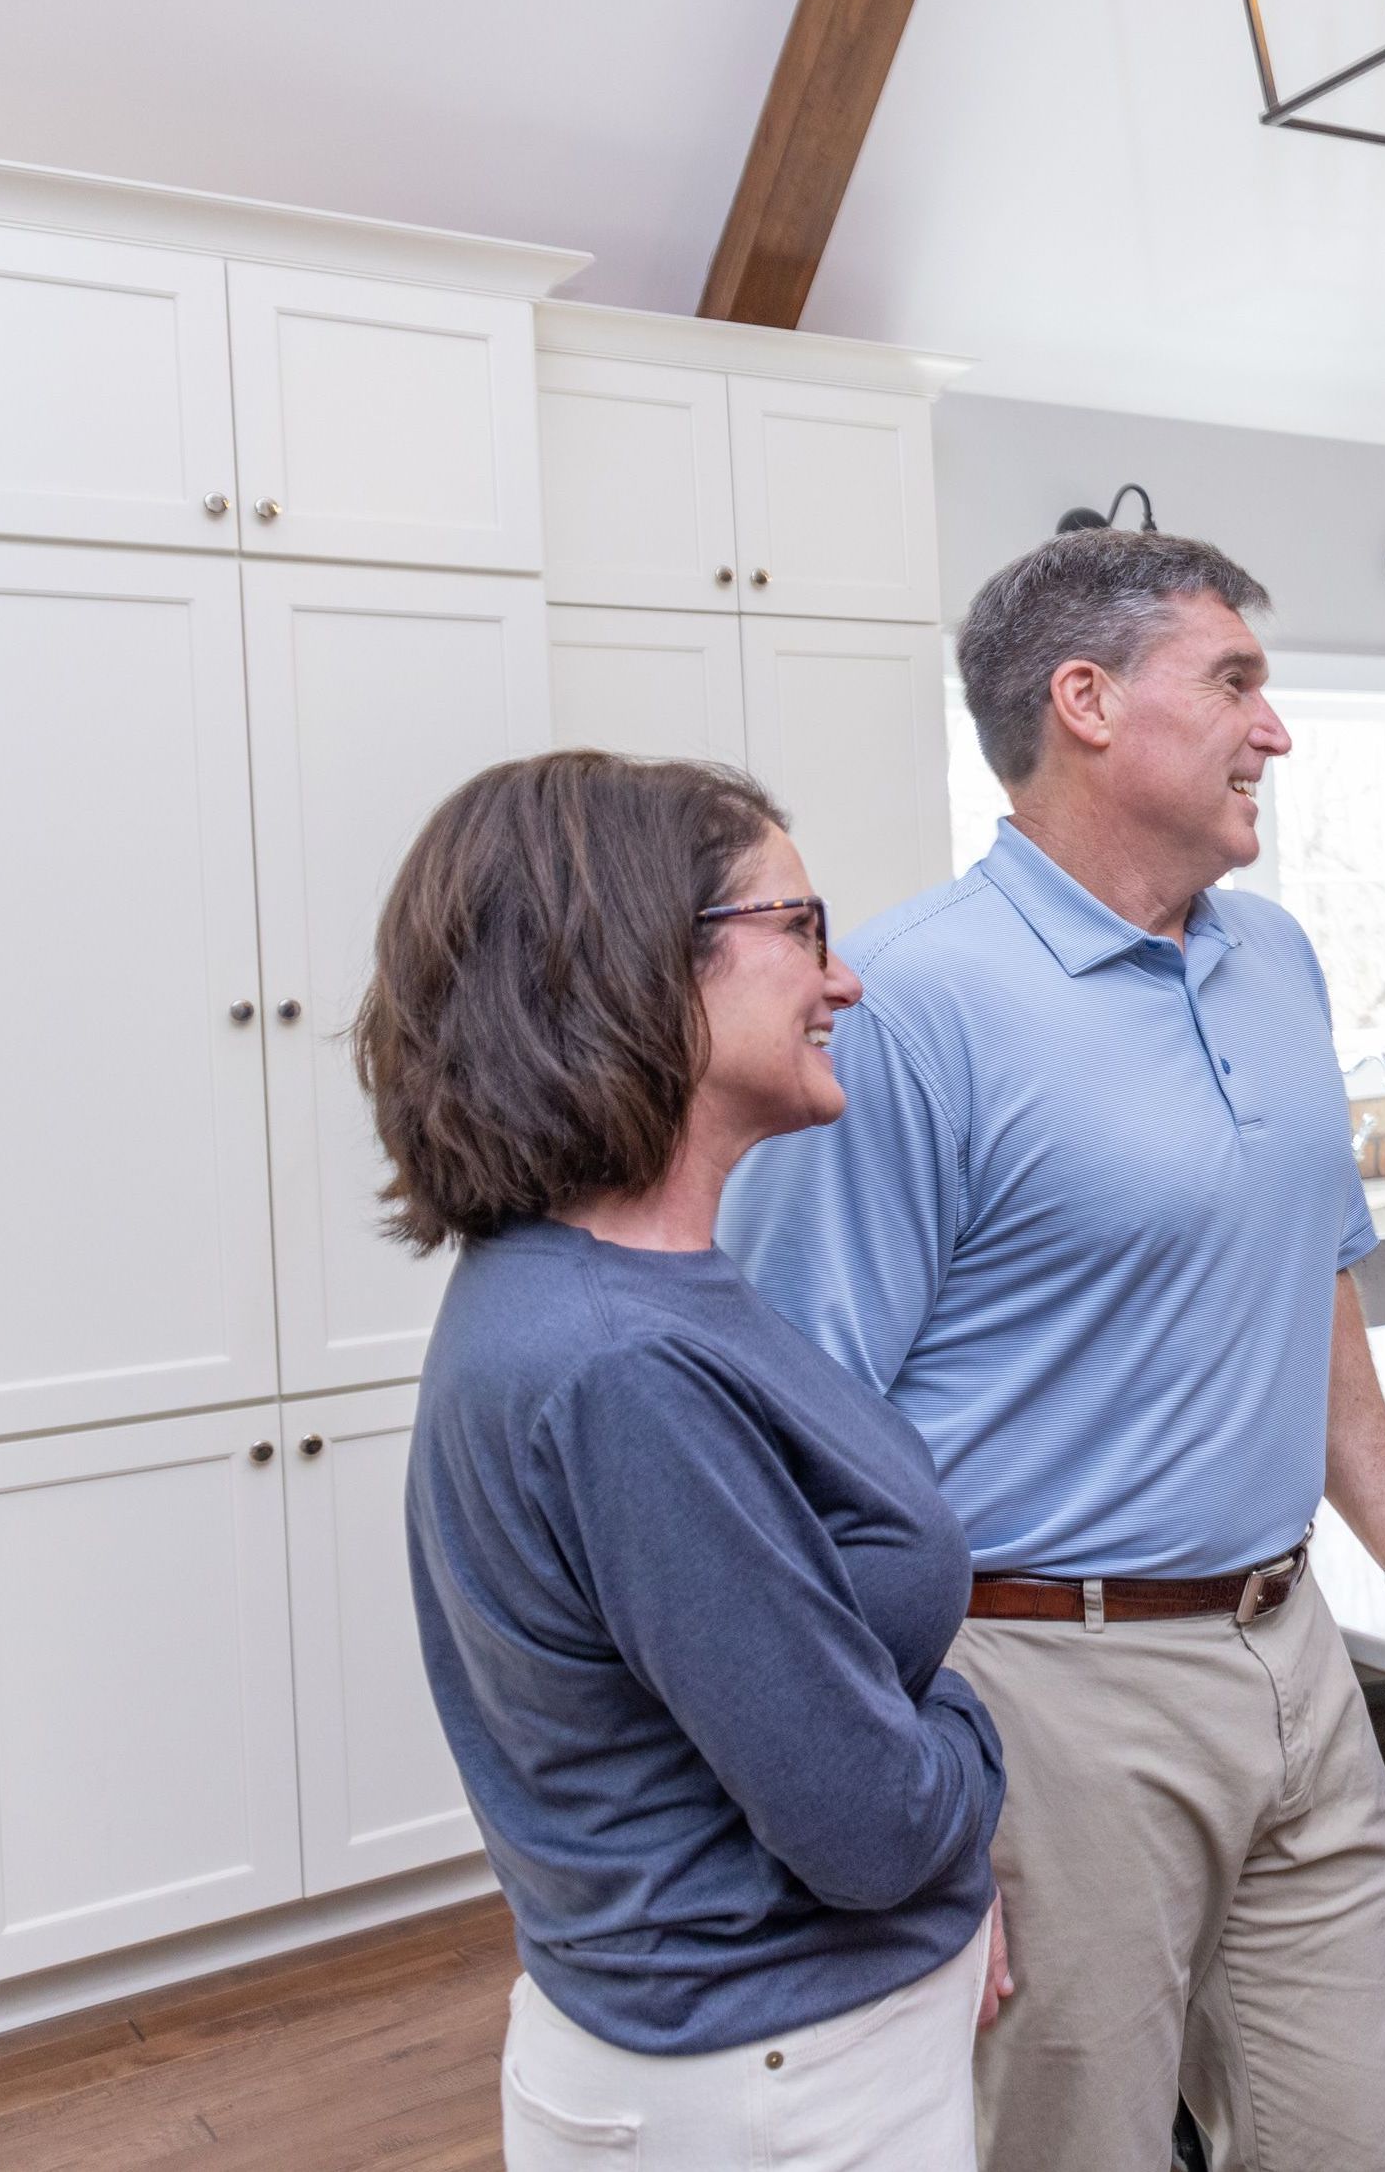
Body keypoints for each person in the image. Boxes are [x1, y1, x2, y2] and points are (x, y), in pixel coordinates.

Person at [720, 528, 1385, 2172]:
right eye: (1236, 682)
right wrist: (896, 1797)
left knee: (1354, 2144)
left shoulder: (1270, 956)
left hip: (1294, 1652)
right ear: (1086, 703)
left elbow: (1312, 1278)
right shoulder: (908, 1002)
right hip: (1042, 1687)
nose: (1274, 730)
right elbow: (792, 1434)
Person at [359, 753, 1011, 2172]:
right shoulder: (622, 1363)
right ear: (640, 969)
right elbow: (868, 1827)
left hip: (759, 2056)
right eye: (804, 930)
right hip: (770, 2090)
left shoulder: (616, 1291)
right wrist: (984, 1727)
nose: (845, 984)